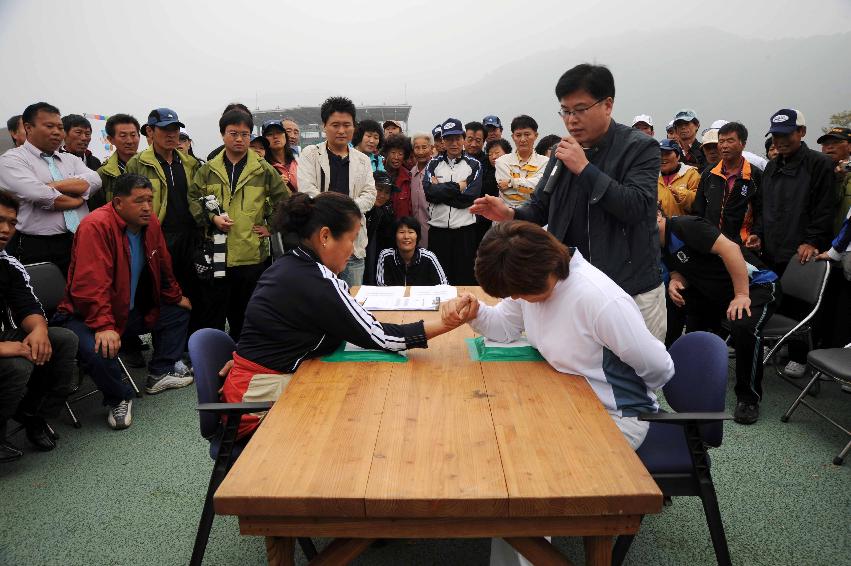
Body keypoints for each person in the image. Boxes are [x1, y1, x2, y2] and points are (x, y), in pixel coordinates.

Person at [220, 192, 464, 438]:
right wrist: (446, 323)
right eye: (352, 239)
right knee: (358, 408)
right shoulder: (317, 280)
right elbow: (381, 337)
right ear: (325, 236)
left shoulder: (290, 264)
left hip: (249, 387)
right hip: (253, 406)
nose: (354, 249)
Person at [470, 64, 667, 342]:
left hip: (630, 289)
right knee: (580, 375)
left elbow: (637, 207)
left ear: (608, 105)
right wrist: (511, 214)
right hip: (574, 288)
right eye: (565, 110)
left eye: (580, 109)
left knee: (636, 379)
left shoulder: (640, 147)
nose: (571, 120)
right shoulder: (563, 152)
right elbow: (540, 207)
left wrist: (585, 169)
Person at [446, 220, 674, 447]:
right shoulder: (531, 281)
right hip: (566, 401)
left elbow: (659, 367)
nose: (515, 298)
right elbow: (505, 326)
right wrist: (476, 313)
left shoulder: (599, 300)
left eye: (518, 292)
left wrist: (606, 387)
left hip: (616, 417)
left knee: (532, 459)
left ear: (541, 273)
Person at [55, 174, 193, 430]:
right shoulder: (95, 226)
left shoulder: (150, 222)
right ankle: (119, 396)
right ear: (118, 203)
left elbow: (163, 264)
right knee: (100, 350)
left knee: (178, 311)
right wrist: (103, 325)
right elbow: (89, 286)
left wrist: (175, 296)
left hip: (125, 312)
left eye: (150, 200)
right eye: (139, 200)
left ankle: (160, 372)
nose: (147, 207)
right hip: (84, 316)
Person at [658, 210, 780, 424]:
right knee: (677, 299)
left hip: (756, 286)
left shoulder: (685, 226)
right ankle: (669, 365)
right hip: (719, 293)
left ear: (657, 215)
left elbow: (731, 249)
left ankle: (748, 397)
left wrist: (742, 294)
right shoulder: (654, 242)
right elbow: (678, 268)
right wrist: (677, 281)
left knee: (743, 325)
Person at [748, 108, 835, 378]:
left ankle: (799, 355)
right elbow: (763, 206)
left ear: (801, 132)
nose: (779, 141)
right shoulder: (773, 165)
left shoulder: (819, 164)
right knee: (773, 297)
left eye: (786, 134)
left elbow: (824, 208)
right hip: (772, 245)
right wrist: (758, 233)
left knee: (800, 304)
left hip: (801, 248)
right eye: (775, 135)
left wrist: (812, 240)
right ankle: (774, 345)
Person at [189, 109, 290, 340]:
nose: (239, 139)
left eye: (245, 134)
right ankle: (213, 359)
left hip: (251, 253)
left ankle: (242, 360)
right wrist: (211, 218)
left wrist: (271, 227)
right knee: (214, 310)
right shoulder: (207, 170)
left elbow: (284, 201)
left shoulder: (263, 169)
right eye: (233, 133)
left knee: (245, 313)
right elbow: (193, 199)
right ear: (222, 134)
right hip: (217, 250)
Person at [0, 191, 77, 461]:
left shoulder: (8, 265)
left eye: (11, 223)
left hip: (9, 336)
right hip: (3, 345)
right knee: (17, 365)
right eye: (0, 220)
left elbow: (28, 307)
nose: (6, 229)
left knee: (63, 340)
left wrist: (39, 331)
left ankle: (35, 416)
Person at [0, 102, 103, 275]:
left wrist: (53, 186)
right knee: (44, 296)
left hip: (80, 240)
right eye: (49, 126)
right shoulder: (12, 160)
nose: (57, 132)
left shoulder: (71, 159)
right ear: (28, 127)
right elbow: (39, 195)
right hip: (38, 245)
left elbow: (95, 180)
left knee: (84, 293)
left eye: (60, 127)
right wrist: (77, 198)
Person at [126, 107, 203, 338]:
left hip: (190, 237)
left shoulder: (189, 163)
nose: (172, 135)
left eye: (175, 129)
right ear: (150, 131)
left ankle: (193, 346)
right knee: (161, 294)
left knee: (193, 291)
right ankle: (168, 353)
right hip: (157, 237)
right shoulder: (138, 163)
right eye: (165, 129)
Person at [297, 96, 376, 287]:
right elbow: (307, 191)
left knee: (351, 300)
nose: (341, 130)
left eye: (347, 125)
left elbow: (370, 194)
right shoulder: (310, 154)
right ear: (324, 125)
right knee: (319, 301)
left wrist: (345, 210)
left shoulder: (362, 160)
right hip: (319, 245)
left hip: (353, 247)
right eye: (335, 125)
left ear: (354, 126)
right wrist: (339, 211)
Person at [423, 118, 482, 285]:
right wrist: (458, 186)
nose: (454, 143)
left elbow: (469, 197)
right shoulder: (432, 165)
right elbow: (429, 193)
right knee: (439, 281)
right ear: (443, 141)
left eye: (457, 138)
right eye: (449, 139)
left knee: (464, 280)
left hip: (465, 231)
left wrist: (441, 192)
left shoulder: (474, 165)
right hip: (438, 231)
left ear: (463, 139)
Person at [693, 122, 763, 245]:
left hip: (742, 244)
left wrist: (757, 234)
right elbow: (699, 210)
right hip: (712, 244)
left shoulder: (755, 175)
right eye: (721, 141)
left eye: (730, 141)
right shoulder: (708, 173)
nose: (724, 146)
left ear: (743, 144)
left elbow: (761, 212)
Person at [494, 115, 548, 208]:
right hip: (507, 217)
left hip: (535, 217)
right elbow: (508, 193)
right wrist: (530, 186)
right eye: (518, 135)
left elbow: (541, 189)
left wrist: (511, 183)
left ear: (536, 135)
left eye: (527, 134)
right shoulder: (501, 161)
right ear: (513, 136)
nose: (522, 139)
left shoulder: (545, 162)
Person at [376, 216, 447, 287]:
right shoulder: (386, 256)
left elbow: (444, 285)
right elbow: (381, 287)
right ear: (395, 236)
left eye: (411, 232)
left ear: (417, 236)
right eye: (401, 232)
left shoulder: (429, 257)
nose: (406, 237)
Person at [95, 113, 141, 207]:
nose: (129, 141)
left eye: (133, 135)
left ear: (139, 136)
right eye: (123, 136)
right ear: (110, 139)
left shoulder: (152, 166)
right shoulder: (103, 173)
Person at [363, 171, 398, 285]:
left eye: (387, 192)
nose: (383, 195)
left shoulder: (386, 215)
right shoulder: (359, 210)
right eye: (379, 189)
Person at [657, 138, 699, 217]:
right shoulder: (653, 177)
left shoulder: (691, 174)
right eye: (660, 154)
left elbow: (699, 204)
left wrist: (682, 196)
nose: (663, 157)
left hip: (684, 227)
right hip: (660, 227)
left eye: (667, 153)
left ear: (678, 156)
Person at [409, 132, 433, 248]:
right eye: (417, 147)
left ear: (431, 148)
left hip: (434, 232)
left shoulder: (437, 171)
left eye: (424, 147)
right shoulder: (411, 173)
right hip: (413, 235)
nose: (421, 152)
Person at [262, 119, 298, 192]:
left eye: (279, 132)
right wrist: (274, 186)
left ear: (285, 136)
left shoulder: (299, 160)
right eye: (269, 134)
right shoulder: (263, 167)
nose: (275, 136)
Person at [382, 134, 412, 218]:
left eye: (400, 154)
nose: (396, 157)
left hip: (400, 227)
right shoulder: (376, 171)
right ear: (386, 153)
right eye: (393, 152)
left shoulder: (408, 177)